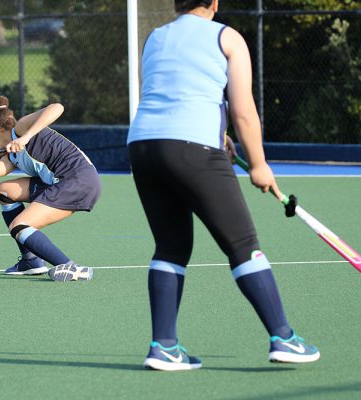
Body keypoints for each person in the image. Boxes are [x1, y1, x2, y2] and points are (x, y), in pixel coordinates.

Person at [127, 0, 320, 371]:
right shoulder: (227, 37)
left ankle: (164, 346)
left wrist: (220, 135)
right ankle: (283, 337)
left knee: (170, 246)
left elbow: (173, 91)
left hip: (143, 147)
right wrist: (260, 164)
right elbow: (243, 107)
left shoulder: (155, 37)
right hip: (193, 148)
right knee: (244, 245)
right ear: (214, 2)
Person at [0, 95, 100, 281]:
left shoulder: (21, 128)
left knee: (19, 226)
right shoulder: (11, 155)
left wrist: (26, 137)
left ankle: (71, 267)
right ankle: (31, 262)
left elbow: (57, 107)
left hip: (78, 181)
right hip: (61, 182)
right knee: (4, 190)